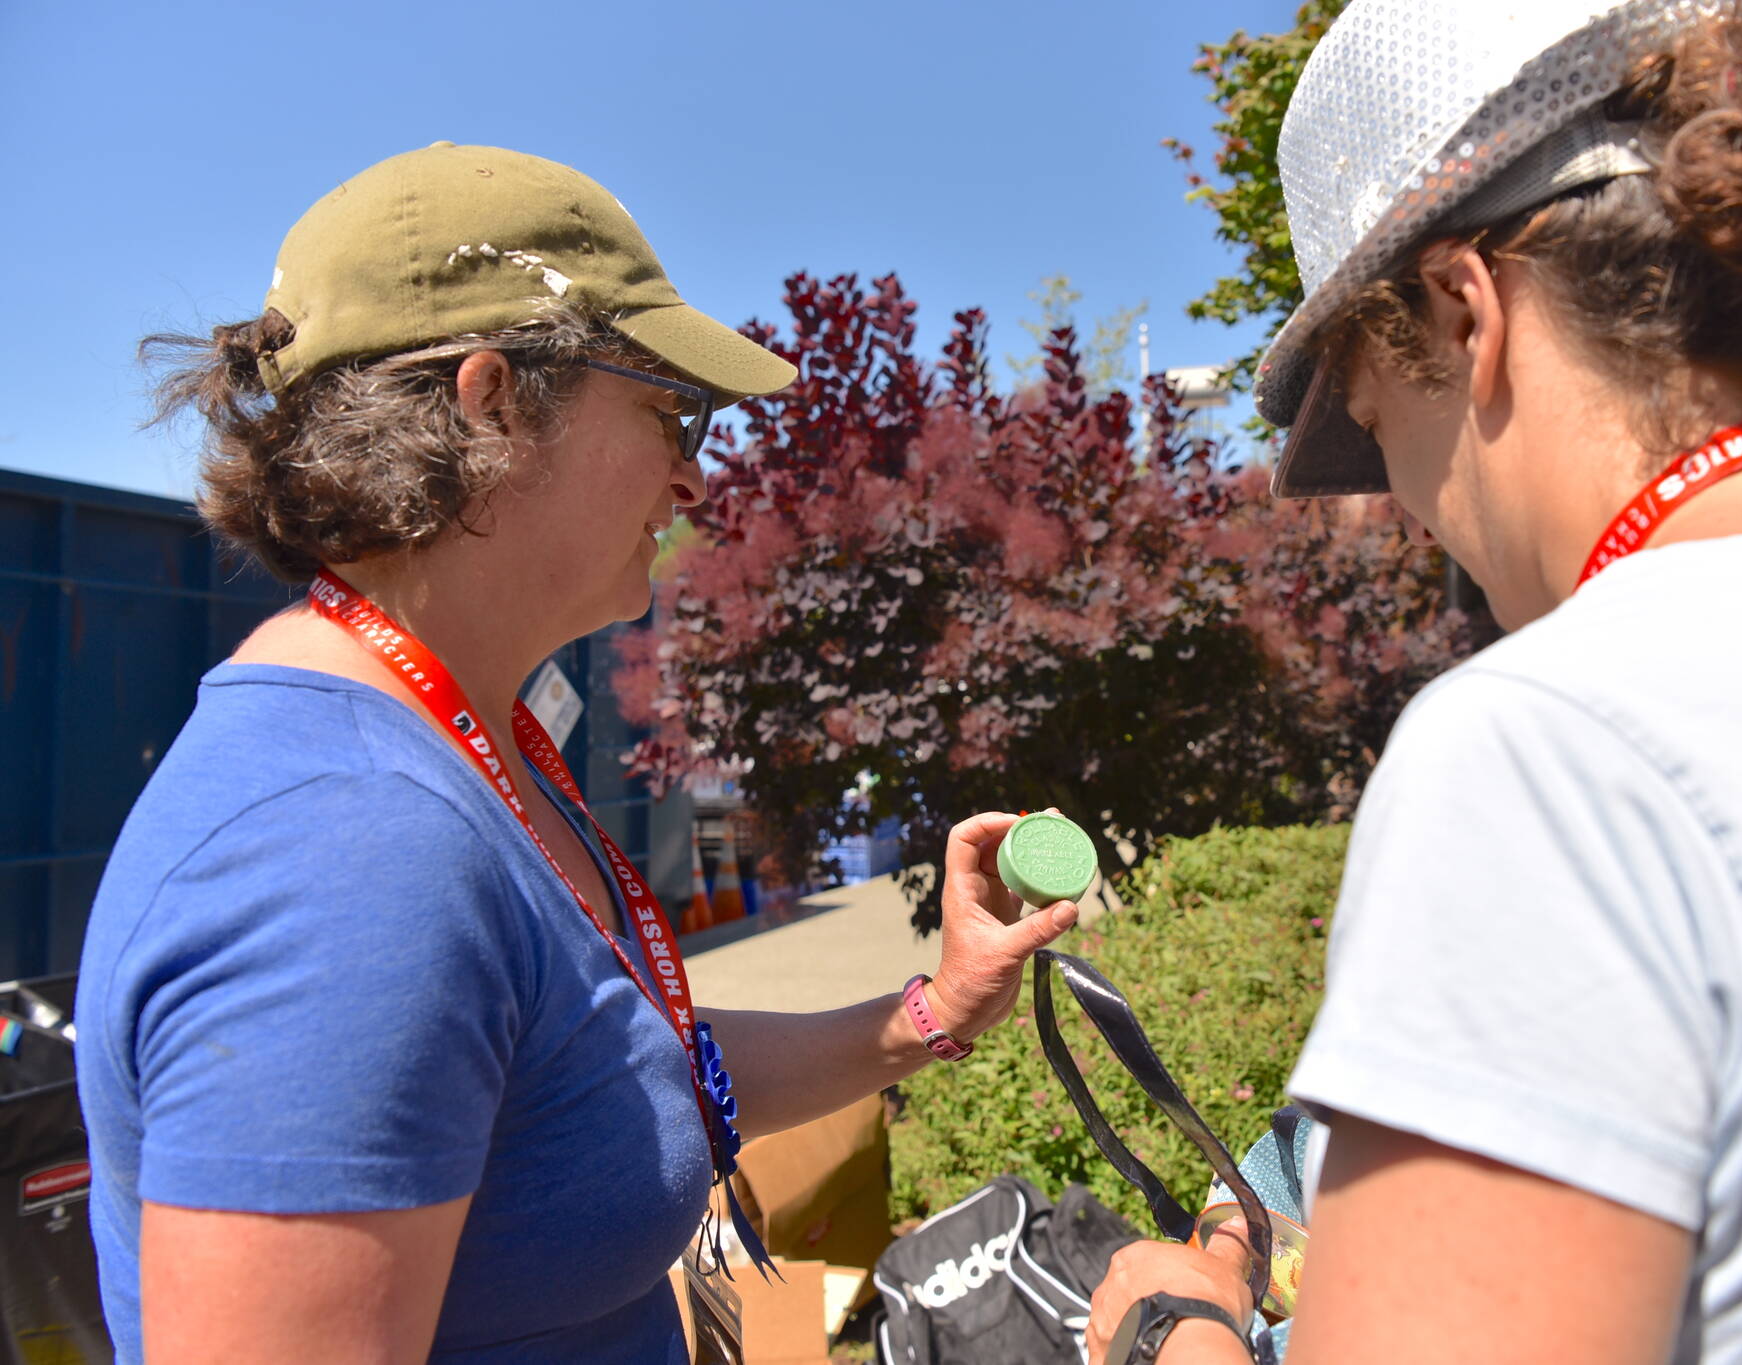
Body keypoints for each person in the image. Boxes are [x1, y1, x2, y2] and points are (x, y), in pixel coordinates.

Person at [1083, 0, 1742, 1361]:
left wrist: (1176, 1326)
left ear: (1464, 307)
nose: (1414, 506)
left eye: (1377, 428)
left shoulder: (1547, 750)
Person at [75, 142, 1079, 1364]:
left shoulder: (452, 743)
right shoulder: (343, 847)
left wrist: (927, 1012)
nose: (693, 476)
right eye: (669, 412)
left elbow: (609, 1072)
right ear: (490, 400)